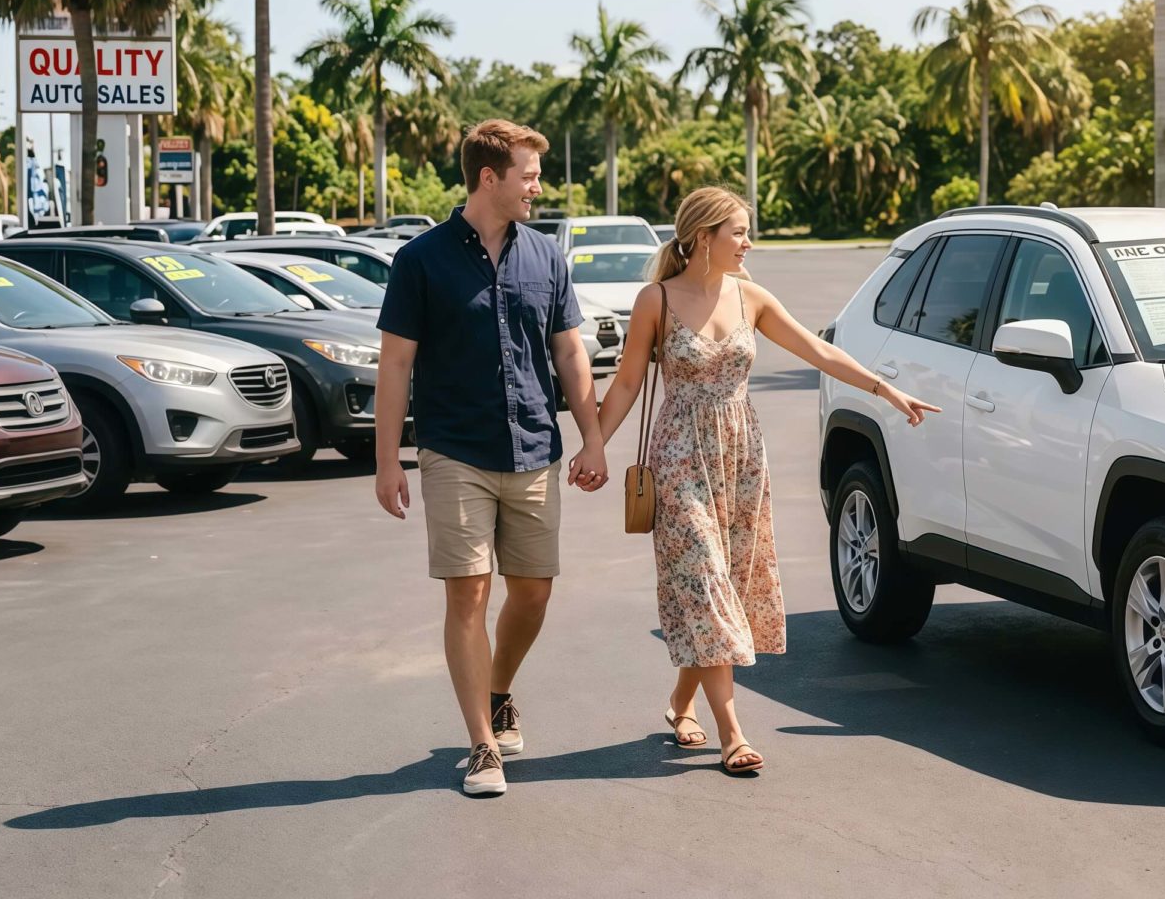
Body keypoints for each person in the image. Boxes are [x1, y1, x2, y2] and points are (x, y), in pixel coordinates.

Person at [595, 186, 938, 776]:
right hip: (680, 458)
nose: (749, 242)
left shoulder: (750, 297)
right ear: (704, 237)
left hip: (741, 457)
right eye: (740, 232)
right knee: (704, 581)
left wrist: (886, 390)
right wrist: (593, 444)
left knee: (722, 585)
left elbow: (818, 351)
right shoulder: (656, 300)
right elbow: (626, 382)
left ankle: (681, 704)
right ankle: (732, 733)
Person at [373, 119, 607, 797]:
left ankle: (499, 688)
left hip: (534, 444)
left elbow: (568, 351)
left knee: (533, 590)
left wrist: (591, 436)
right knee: (469, 589)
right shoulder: (421, 260)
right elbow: (396, 363)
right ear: (489, 178)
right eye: (529, 175)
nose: (539, 186)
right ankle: (482, 745)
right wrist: (388, 462)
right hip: (455, 450)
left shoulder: (546, 256)